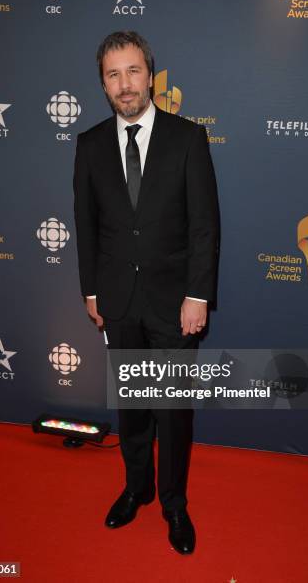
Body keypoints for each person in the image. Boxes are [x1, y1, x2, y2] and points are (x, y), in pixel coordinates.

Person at [73, 31, 219, 555]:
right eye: (113, 75)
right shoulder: (89, 144)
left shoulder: (188, 138)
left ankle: (175, 504)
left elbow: (205, 226)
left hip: (175, 302)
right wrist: (91, 290)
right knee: (133, 405)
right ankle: (137, 488)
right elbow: (85, 226)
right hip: (118, 300)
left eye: (132, 71)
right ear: (103, 84)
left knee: (173, 409)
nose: (124, 84)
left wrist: (198, 295)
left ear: (150, 75)